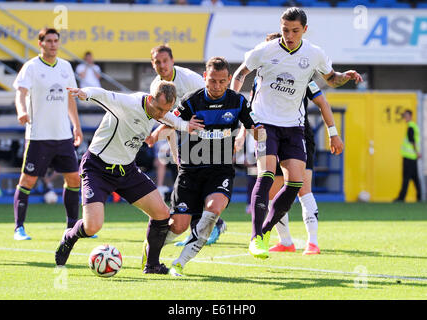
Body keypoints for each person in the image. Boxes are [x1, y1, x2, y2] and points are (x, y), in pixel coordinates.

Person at [230, 7, 362, 259]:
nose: (289, 35)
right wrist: (236, 107)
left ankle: (268, 231)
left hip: (293, 127)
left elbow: (331, 78)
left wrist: (345, 76)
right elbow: (240, 74)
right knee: (266, 175)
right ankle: (256, 237)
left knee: (295, 183)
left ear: (305, 30)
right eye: (285, 30)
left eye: (294, 31)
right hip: (264, 123)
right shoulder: (265, 50)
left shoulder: (314, 54)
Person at [55, 81, 204, 274]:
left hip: (127, 170)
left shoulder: (159, 111)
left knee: (161, 213)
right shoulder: (129, 103)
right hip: (97, 168)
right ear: (150, 99)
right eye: (159, 109)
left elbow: (170, 119)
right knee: (93, 227)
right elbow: (104, 95)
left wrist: (185, 125)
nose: (161, 115)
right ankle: (69, 237)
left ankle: (152, 265)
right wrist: (85, 93)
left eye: (165, 110)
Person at [151, 56, 263, 276]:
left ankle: (180, 263)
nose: (217, 86)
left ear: (229, 79)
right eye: (212, 81)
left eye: (222, 81)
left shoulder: (237, 102)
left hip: (220, 170)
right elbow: (165, 119)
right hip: (191, 171)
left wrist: (262, 130)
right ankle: (151, 249)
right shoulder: (191, 101)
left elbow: (255, 128)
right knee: (178, 226)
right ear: (205, 78)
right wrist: (183, 124)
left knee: (213, 209)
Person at [149, 45, 227, 245]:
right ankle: (201, 228)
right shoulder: (155, 86)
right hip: (180, 135)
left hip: (204, 132)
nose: (162, 65)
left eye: (165, 61)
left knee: (198, 181)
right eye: (158, 62)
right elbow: (165, 118)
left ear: (172, 61)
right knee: (184, 182)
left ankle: (214, 225)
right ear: (153, 64)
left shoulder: (188, 78)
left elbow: (211, 96)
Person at [12, 28, 83, 241]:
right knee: (28, 180)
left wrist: (76, 126)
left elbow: (70, 99)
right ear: (40, 43)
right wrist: (22, 111)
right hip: (38, 136)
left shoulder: (66, 67)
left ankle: (71, 227)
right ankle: (19, 228)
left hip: (63, 136)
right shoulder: (31, 67)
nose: (53, 44)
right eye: (49, 41)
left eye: (56, 41)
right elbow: (21, 93)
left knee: (73, 179)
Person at [394, 109, 422, 202]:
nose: (404, 117)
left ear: (410, 116)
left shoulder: (410, 126)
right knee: (415, 178)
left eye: (406, 115)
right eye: (404, 116)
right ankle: (420, 197)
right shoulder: (414, 126)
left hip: (409, 157)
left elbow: (412, 140)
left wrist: (417, 152)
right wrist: (417, 152)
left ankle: (401, 197)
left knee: (406, 178)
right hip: (413, 157)